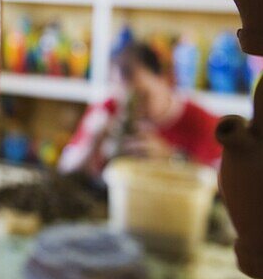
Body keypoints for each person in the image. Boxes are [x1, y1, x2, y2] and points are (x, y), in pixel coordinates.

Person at [59, 42, 222, 179]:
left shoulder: (200, 121)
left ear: (165, 80)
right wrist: (92, 143)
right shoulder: (107, 110)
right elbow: (64, 168)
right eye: (124, 99)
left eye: (143, 96)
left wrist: (173, 159)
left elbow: (222, 180)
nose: (135, 109)